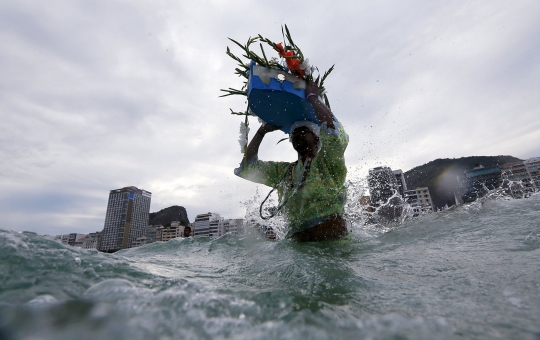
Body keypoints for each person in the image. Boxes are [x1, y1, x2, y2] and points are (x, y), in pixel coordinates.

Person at [234, 82, 349, 241]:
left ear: (317, 139)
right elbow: (249, 167)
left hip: (334, 247)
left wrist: (312, 97)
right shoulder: (284, 173)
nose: (297, 134)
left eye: (304, 131)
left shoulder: (327, 162)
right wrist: (262, 131)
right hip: (299, 251)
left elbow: (331, 129)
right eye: (294, 133)